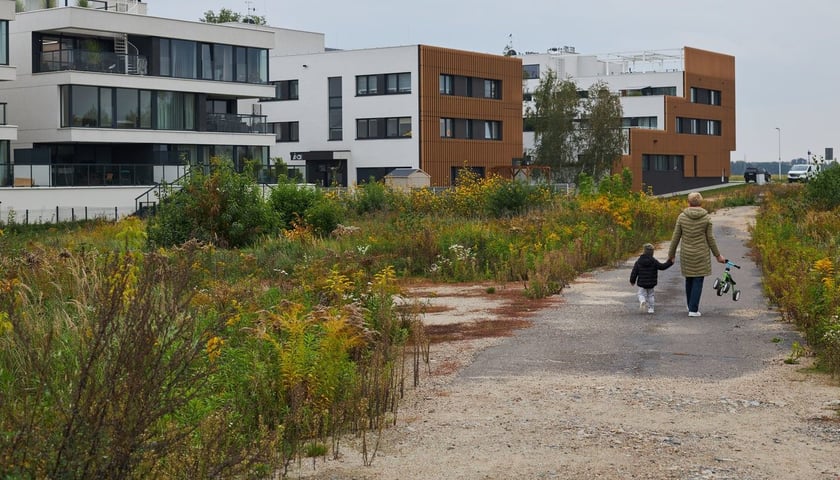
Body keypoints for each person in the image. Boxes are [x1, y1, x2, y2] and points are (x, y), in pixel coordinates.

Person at [667, 192, 726, 317]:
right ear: (701, 203)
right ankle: (693, 310)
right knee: (698, 280)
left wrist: (671, 255)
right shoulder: (706, 218)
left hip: (686, 254)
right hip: (701, 254)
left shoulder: (682, 217)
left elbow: (675, 237)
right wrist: (718, 255)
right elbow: (710, 238)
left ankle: (690, 305)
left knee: (689, 278)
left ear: (688, 203)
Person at [630, 243, 673, 314]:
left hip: (642, 283)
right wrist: (670, 262)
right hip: (651, 283)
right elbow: (662, 267)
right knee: (651, 295)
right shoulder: (654, 261)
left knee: (640, 294)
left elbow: (634, 272)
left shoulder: (639, 261)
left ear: (644, 251)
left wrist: (632, 281)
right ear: (652, 253)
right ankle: (651, 309)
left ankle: (642, 301)